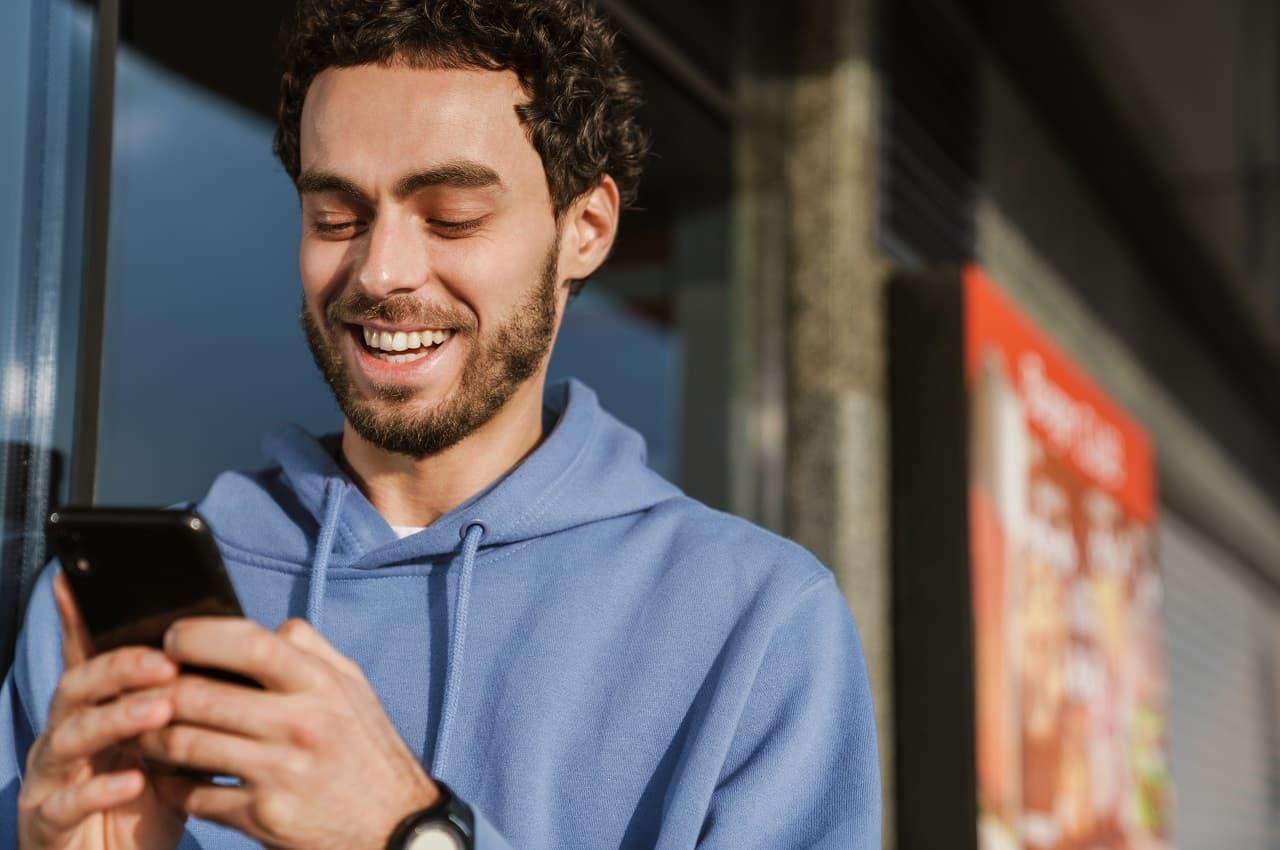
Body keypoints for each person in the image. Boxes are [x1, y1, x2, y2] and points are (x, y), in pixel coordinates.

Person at [0, 0, 881, 847]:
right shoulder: (98, 624)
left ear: (587, 228)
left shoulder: (756, 626)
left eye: (452, 217)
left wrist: (408, 834)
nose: (382, 270)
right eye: (334, 217)